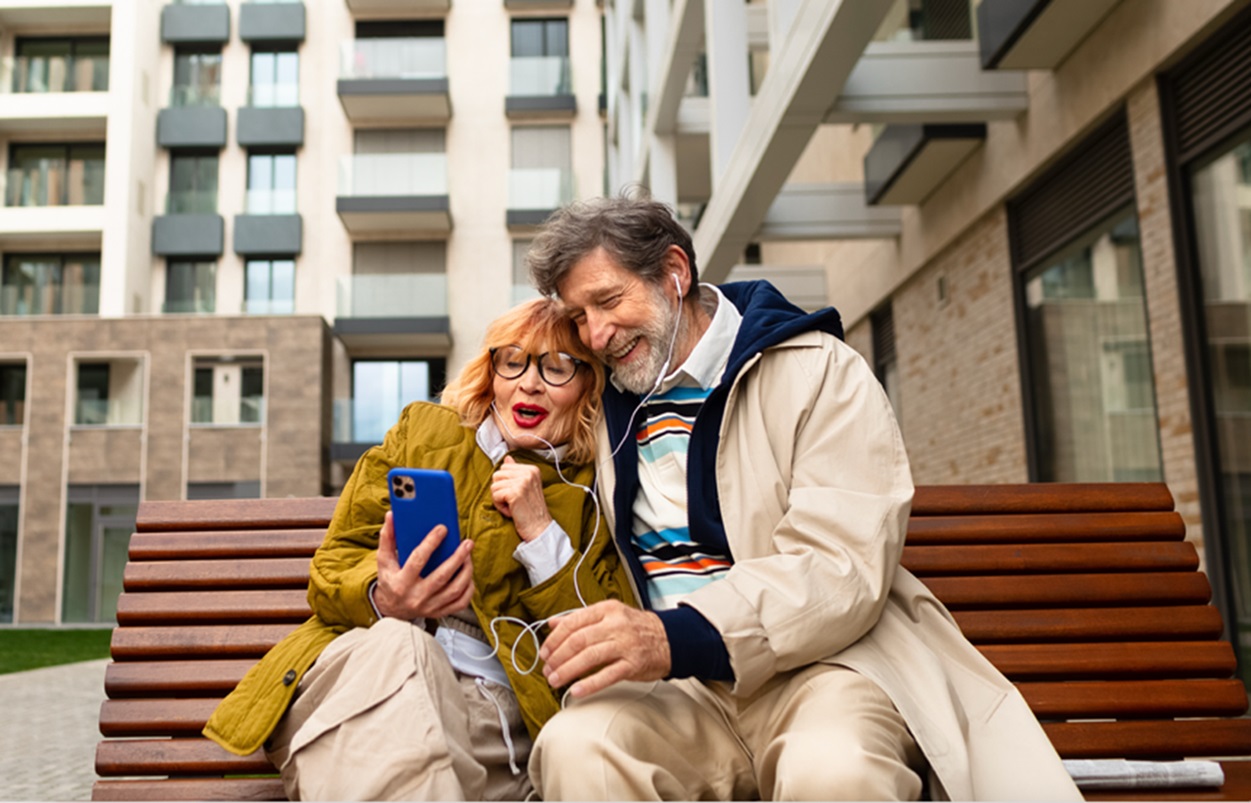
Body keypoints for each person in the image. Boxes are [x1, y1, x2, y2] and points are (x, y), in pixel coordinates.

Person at [524, 194, 1082, 801]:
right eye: (579, 316)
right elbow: (492, 410)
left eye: (608, 301)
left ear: (674, 273)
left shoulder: (819, 370)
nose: (596, 334)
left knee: (834, 771)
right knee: (577, 749)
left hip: (824, 669)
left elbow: (838, 563)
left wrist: (674, 636)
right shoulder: (603, 401)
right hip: (681, 690)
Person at [202, 298, 636, 801]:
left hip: (491, 720)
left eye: (557, 367)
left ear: (589, 385)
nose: (529, 382)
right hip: (363, 677)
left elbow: (605, 639)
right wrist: (387, 599)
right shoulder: (425, 435)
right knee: (403, 646)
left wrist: (542, 535)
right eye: (512, 361)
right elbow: (332, 567)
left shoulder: (599, 487)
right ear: (490, 372)